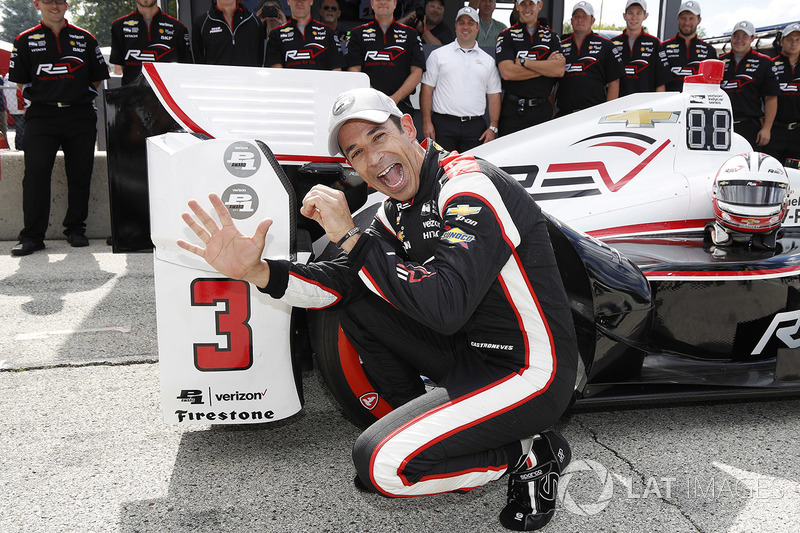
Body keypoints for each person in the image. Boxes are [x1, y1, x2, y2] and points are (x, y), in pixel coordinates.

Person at [179, 86, 578, 532]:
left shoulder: (468, 183)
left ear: (408, 128)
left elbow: (447, 306)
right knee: (357, 298)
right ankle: (435, 429)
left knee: (382, 466)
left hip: (530, 370)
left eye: (378, 137)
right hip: (470, 357)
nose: (372, 157)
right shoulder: (396, 209)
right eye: (356, 152)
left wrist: (352, 237)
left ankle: (526, 451)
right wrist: (258, 271)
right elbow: (339, 285)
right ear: (351, 168)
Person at [8, 0, 110, 256]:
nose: (54, 6)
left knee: (80, 173)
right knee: (35, 173)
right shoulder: (24, 39)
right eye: (48, 1)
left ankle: (76, 229)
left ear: (66, 5)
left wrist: (74, 94)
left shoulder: (85, 38)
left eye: (59, 1)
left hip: (80, 114)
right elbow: (20, 82)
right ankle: (32, 236)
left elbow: (97, 76)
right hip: (42, 116)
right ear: (37, 4)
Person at [420, 7, 501, 151]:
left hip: (474, 127)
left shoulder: (488, 61)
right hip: (443, 125)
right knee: (441, 170)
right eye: (461, 22)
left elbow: (494, 95)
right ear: (455, 26)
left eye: (470, 23)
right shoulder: (438, 55)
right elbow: (426, 89)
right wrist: (427, 121)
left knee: (471, 171)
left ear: (477, 27)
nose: (465, 26)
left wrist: (493, 127)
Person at [495, 0, 564, 136]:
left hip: (542, 109)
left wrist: (524, 62)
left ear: (539, 5)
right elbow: (508, 72)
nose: (527, 8)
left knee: (542, 156)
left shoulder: (552, 36)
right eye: (523, 4)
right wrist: (545, 67)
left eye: (531, 4)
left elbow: (559, 70)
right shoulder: (506, 35)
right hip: (513, 110)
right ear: (517, 6)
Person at [346, 0, 425, 115]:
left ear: (395, 4)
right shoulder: (357, 34)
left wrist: (394, 100)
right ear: (372, 4)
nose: (383, 2)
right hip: (367, 106)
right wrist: (377, 99)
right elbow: (354, 70)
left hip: (401, 106)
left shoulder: (411, 34)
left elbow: (417, 73)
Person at [556, 1, 623, 117]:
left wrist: (608, 114)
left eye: (584, 16)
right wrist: (552, 111)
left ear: (592, 20)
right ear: (571, 20)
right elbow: (550, 83)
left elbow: (614, 82)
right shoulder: (559, 47)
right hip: (564, 115)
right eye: (576, 16)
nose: (580, 20)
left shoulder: (606, 46)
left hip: (594, 115)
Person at [720, 21, 779, 149]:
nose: (739, 40)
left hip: (749, 126)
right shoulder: (719, 62)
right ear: (731, 37)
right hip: (720, 124)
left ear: (753, 38)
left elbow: (771, 98)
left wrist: (767, 128)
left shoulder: (765, 63)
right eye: (736, 36)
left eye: (744, 36)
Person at [110, 0, 193, 86]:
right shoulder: (119, 26)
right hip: (132, 96)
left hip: (166, 94)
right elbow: (118, 69)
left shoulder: (178, 28)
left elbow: (186, 69)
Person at [611, 0, 672, 96]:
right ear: (624, 16)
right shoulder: (612, 44)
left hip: (646, 106)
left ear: (645, 16)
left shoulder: (655, 44)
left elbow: (660, 81)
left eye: (638, 13)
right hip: (619, 105)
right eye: (630, 13)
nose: (634, 17)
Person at [266, 0, 345, 69]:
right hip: (290, 85)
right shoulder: (276, 34)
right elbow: (276, 72)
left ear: (311, 1)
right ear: (288, 1)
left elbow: (336, 69)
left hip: (321, 85)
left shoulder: (328, 33)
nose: (299, 2)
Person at [659, 0, 716, 92]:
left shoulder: (709, 51)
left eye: (691, 18)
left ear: (699, 20)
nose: (686, 23)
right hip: (670, 103)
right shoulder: (663, 48)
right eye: (683, 18)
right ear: (678, 19)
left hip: (699, 104)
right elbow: (659, 82)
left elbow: (713, 86)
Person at [193, 0, 265, 66]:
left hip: (248, 79)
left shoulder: (254, 22)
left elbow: (260, 59)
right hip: (215, 79)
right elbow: (199, 62)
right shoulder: (201, 24)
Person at [767, 22, 800, 165]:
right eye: (789, 39)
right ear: (781, 42)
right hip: (775, 131)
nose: (794, 43)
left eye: (798, 40)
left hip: (798, 131)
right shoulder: (769, 65)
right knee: (773, 171)